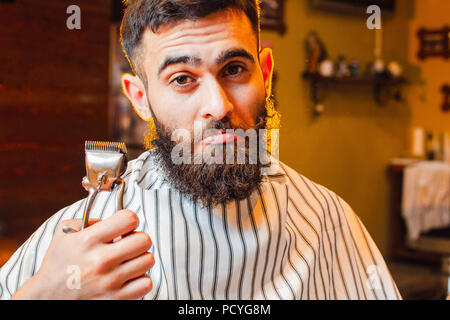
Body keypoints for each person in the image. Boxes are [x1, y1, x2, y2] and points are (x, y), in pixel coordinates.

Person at [0, 0, 401, 300]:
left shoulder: (327, 219)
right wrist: (45, 292)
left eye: (233, 70)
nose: (219, 105)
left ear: (264, 74)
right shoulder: (85, 235)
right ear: (140, 98)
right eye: (182, 79)